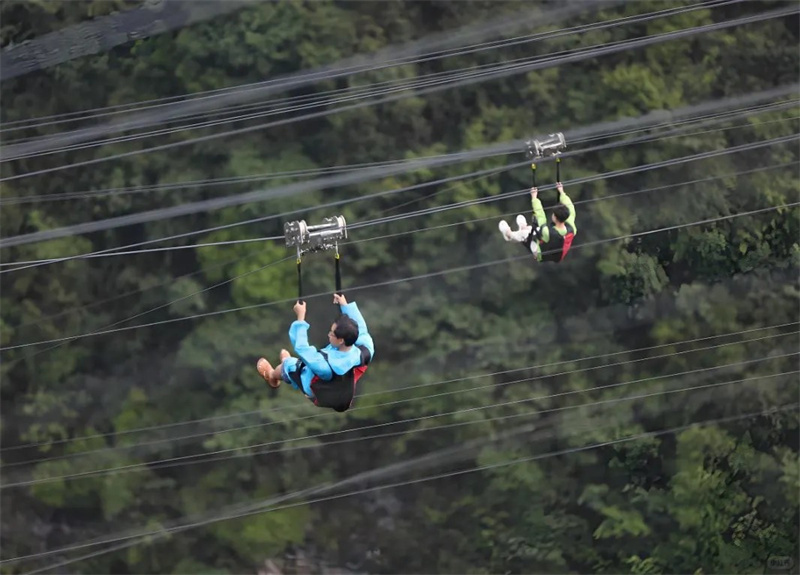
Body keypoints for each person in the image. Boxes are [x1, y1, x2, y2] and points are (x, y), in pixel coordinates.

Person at [256, 293, 374, 412]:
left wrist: (300, 318)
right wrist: (344, 305)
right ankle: (289, 364)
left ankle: (272, 376)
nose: (329, 334)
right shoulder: (365, 350)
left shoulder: (325, 366)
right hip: (343, 393)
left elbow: (302, 349)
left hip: (319, 391)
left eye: (332, 333)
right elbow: (362, 329)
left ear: (341, 340)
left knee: (291, 366)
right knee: (306, 361)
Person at [498, 181, 577, 263]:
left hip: (540, 254)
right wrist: (561, 192)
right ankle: (524, 227)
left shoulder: (547, 232)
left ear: (555, 217)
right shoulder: (571, 227)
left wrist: (534, 198)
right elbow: (570, 206)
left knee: (526, 234)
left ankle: (508, 234)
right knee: (531, 230)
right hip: (551, 248)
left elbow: (541, 216)